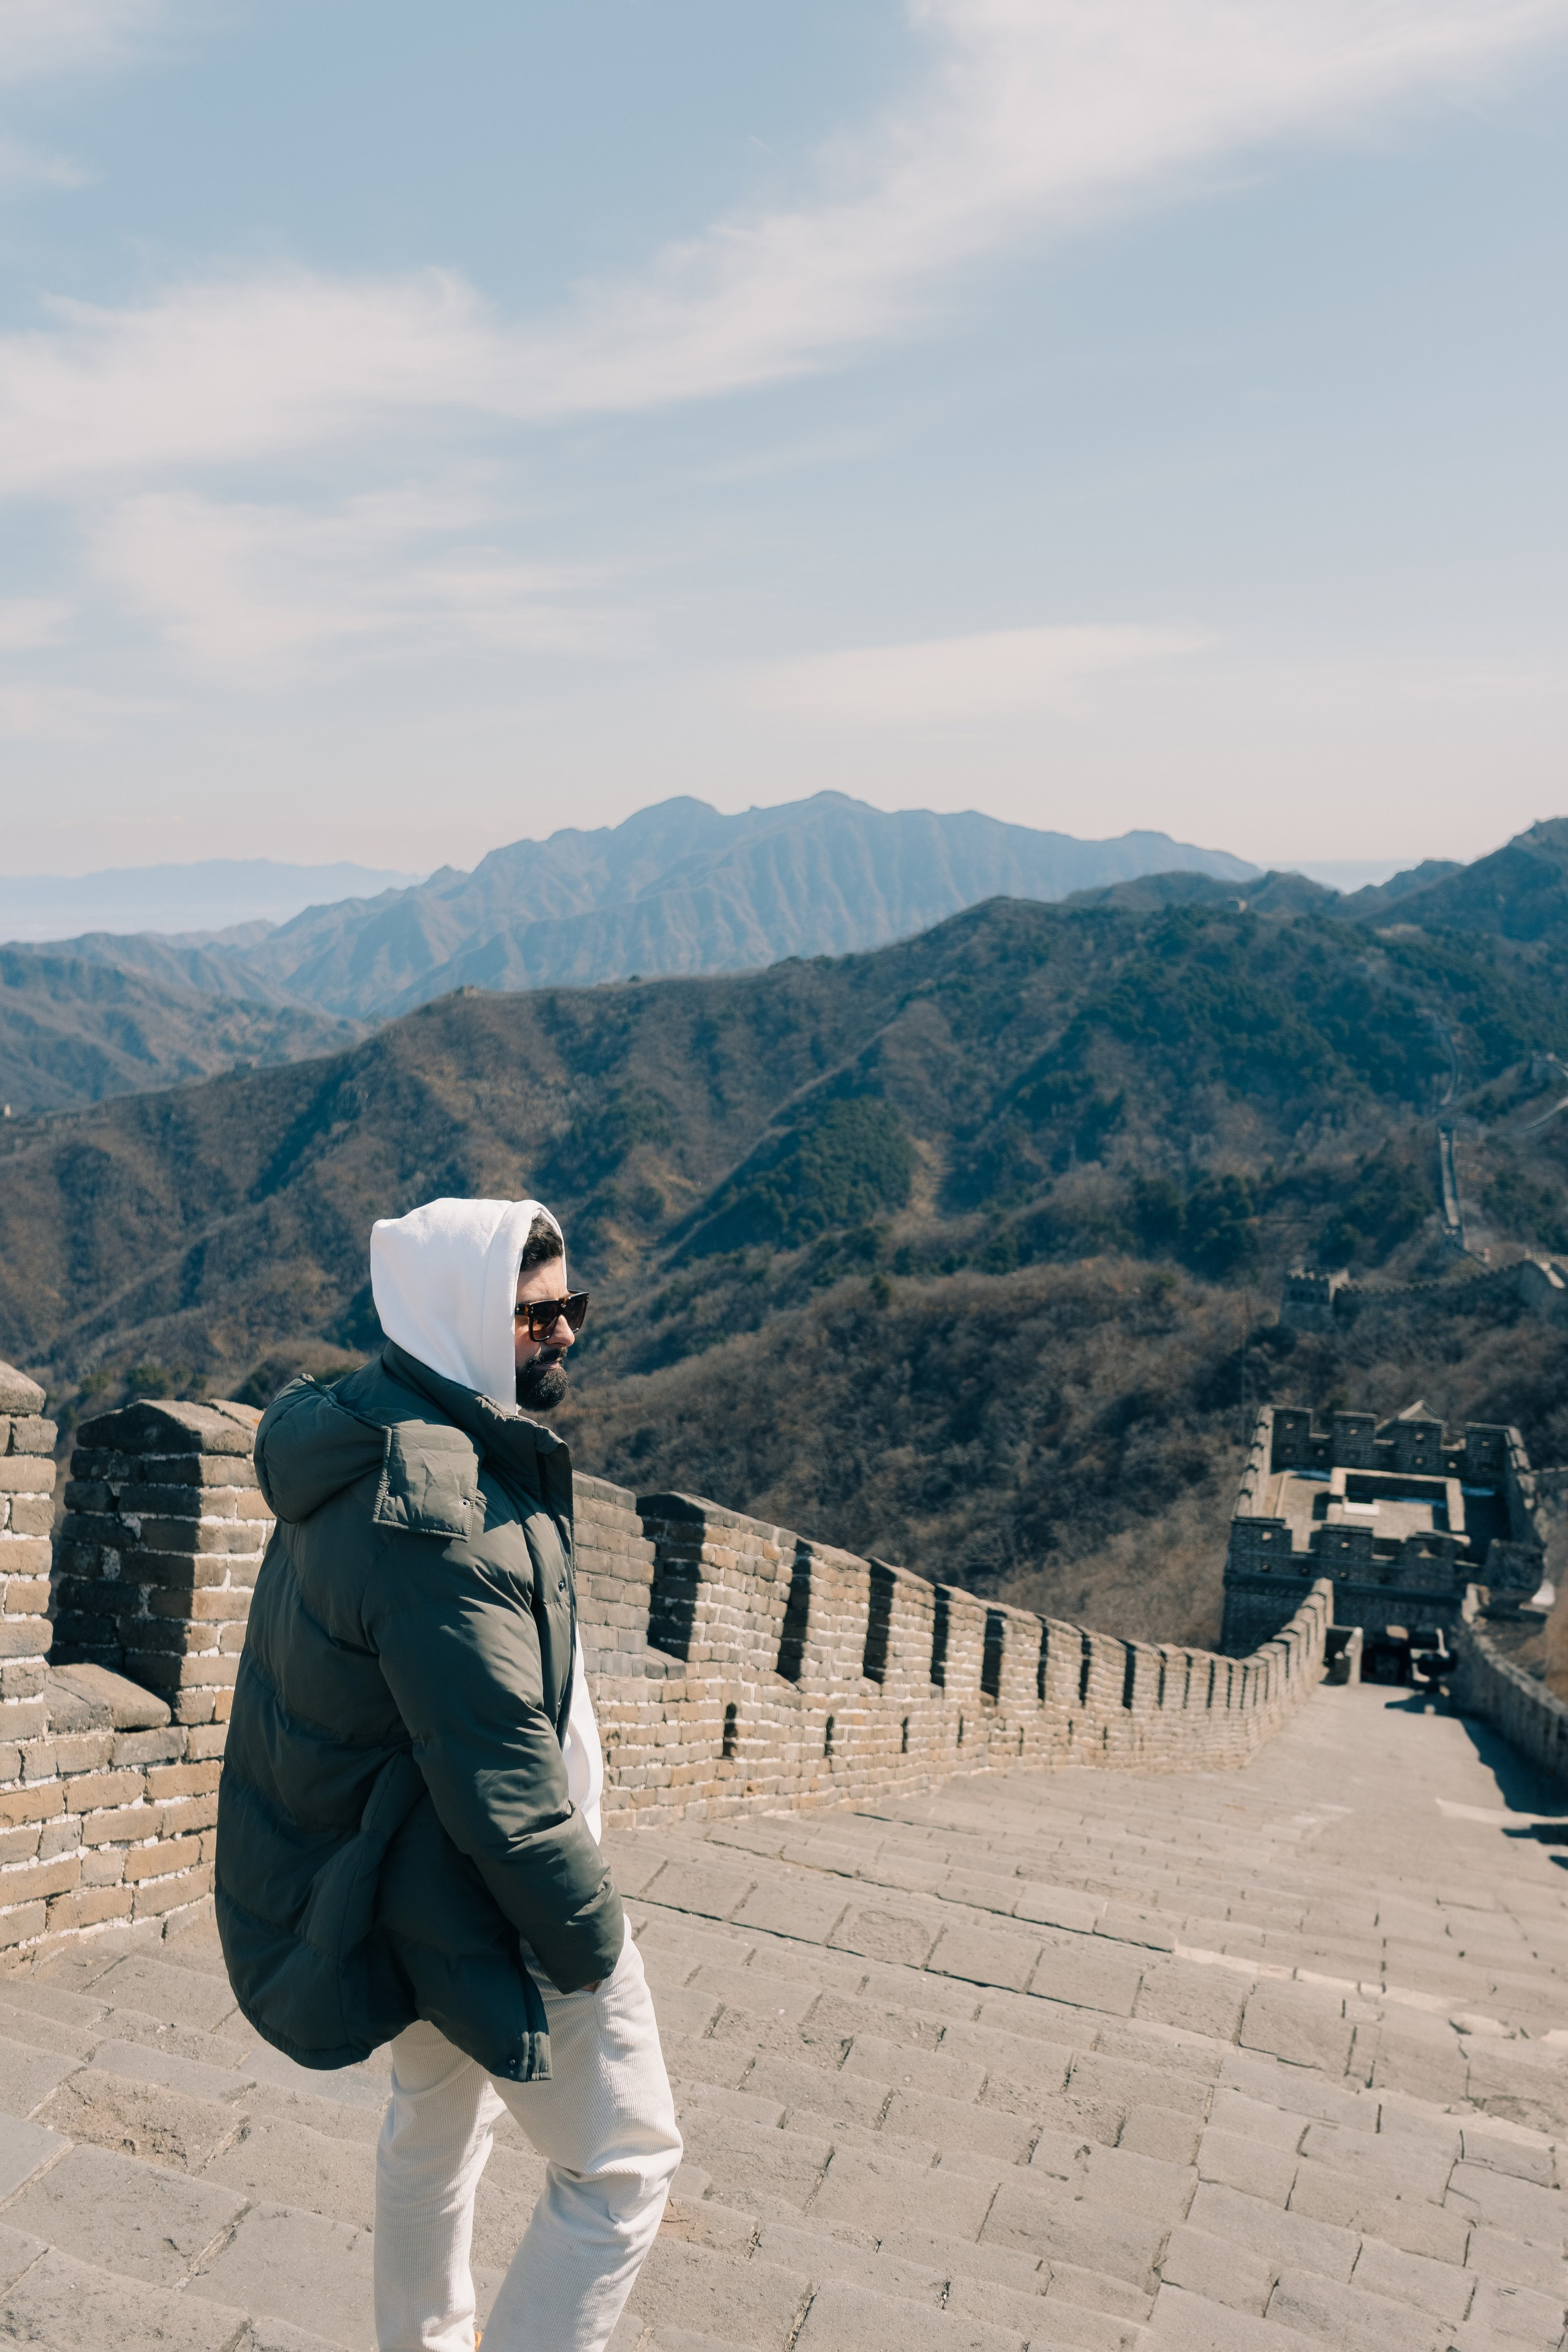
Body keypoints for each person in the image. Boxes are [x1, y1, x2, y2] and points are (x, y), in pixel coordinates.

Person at [215, 1195, 681, 2352]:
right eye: (534, 1316)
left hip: (412, 1877)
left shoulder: (377, 1426)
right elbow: (502, 1782)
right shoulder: (440, 1505)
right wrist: (592, 1944)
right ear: (463, 1318)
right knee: (625, 2169)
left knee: (433, 2134)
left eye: (571, 1307)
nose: (563, 1333)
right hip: (491, 1898)